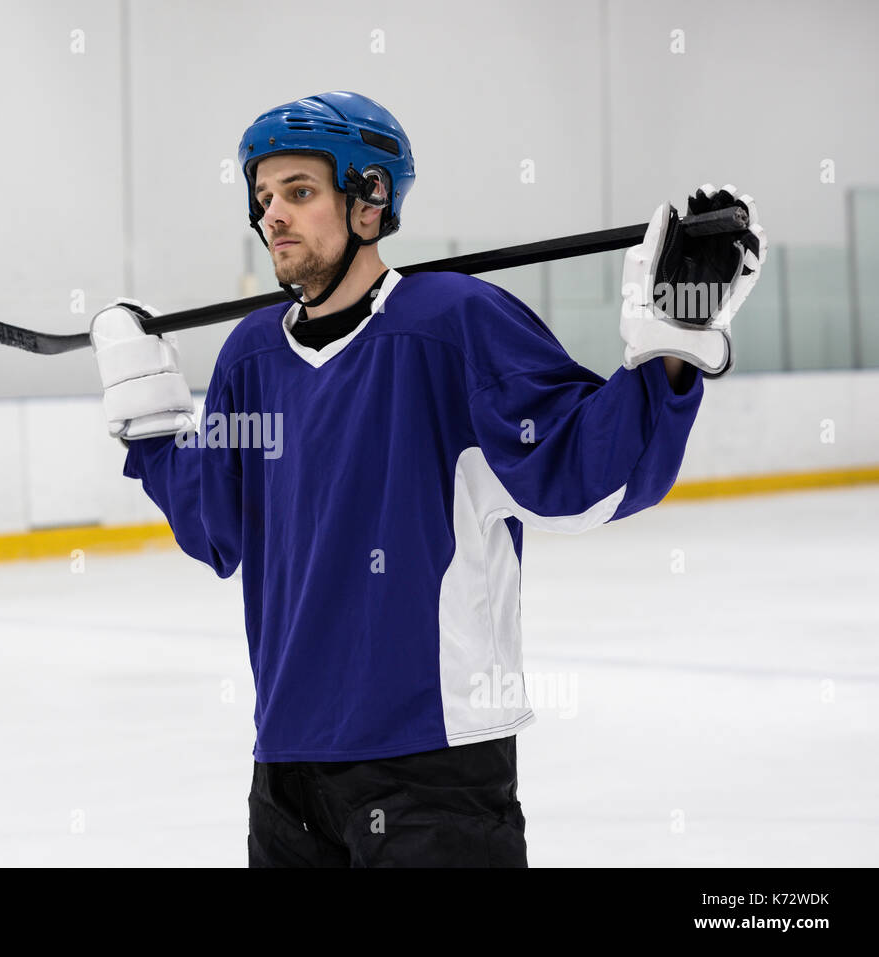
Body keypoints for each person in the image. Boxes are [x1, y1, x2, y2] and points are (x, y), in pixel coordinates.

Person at [89, 91, 766, 867]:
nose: (272, 214)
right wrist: (148, 418)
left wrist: (672, 343)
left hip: (431, 771)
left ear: (370, 200)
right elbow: (216, 524)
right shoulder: (252, 359)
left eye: (300, 192)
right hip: (286, 773)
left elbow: (584, 474)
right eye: (264, 196)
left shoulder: (454, 327)